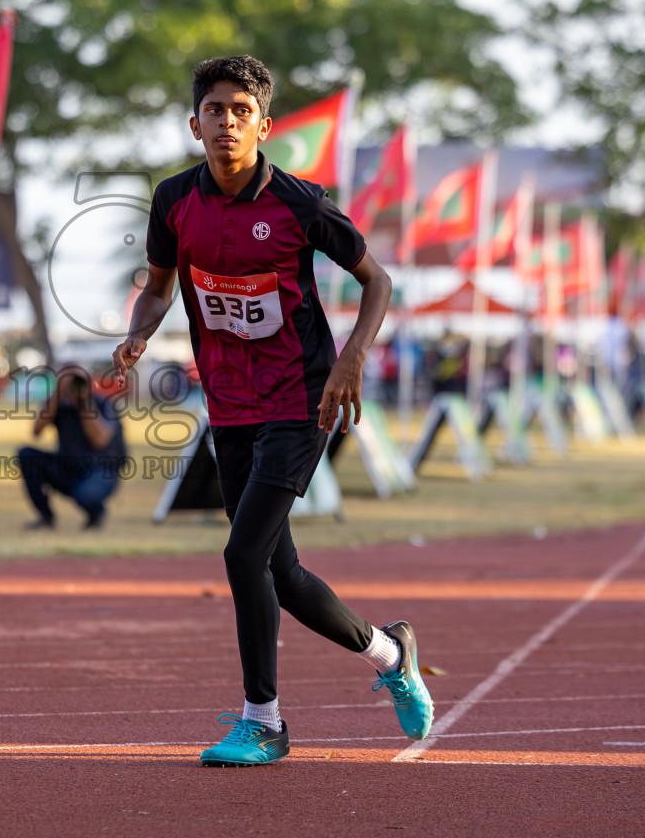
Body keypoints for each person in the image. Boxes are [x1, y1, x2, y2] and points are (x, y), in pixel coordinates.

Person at [112, 55, 433, 768]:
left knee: (240, 553)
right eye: (213, 110)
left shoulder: (299, 203)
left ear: (262, 124)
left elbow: (376, 281)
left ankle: (265, 721)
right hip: (228, 402)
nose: (225, 122)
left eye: (239, 111)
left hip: (300, 398)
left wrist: (350, 361)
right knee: (278, 572)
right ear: (193, 123)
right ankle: (391, 652)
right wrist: (139, 329)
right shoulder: (172, 202)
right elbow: (160, 287)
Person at [18, 366, 126, 530]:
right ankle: (46, 517)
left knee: (86, 495)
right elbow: (36, 431)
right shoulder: (58, 405)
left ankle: (96, 513)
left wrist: (84, 402)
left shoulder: (102, 404)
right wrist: (57, 395)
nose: (72, 386)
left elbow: (100, 441)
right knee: (27, 455)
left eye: (76, 381)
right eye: (66, 381)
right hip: (68, 468)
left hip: (100, 470)